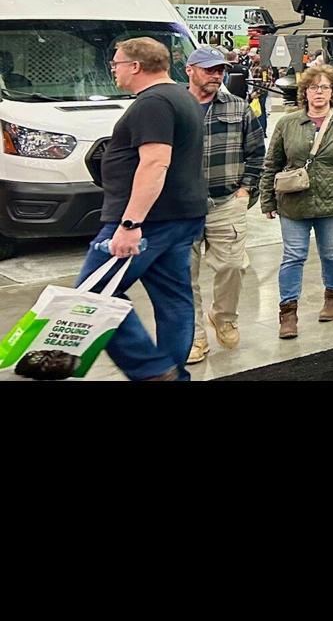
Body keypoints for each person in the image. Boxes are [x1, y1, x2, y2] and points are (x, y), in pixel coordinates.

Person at [73, 37, 206, 380]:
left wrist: (130, 223)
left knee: (93, 293)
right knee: (173, 298)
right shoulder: (183, 97)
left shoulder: (153, 102)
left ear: (135, 66)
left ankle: (153, 370)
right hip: (180, 214)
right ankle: (173, 375)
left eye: (116, 63)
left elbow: (155, 163)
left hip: (149, 220)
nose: (113, 70)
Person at [258, 64, 333, 338]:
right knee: (293, 256)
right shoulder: (287, 124)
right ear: (304, 92)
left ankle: (332, 298)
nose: (319, 92)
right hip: (293, 203)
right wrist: (267, 200)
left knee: (331, 254)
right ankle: (288, 313)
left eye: (324, 87)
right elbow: (272, 163)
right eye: (313, 87)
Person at [182, 45, 261, 365]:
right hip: (181, 206)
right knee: (184, 274)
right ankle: (194, 337)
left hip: (226, 201)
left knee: (232, 266)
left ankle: (223, 316)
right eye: (209, 69)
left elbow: (257, 152)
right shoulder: (173, 106)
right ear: (189, 70)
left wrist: (246, 190)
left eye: (220, 70)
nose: (216, 75)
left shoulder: (239, 108)